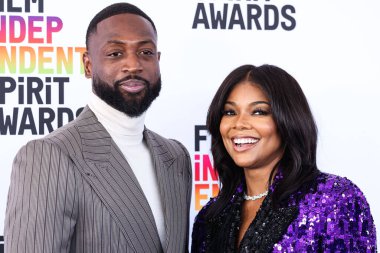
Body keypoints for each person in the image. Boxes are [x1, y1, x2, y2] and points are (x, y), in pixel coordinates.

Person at [4, 2, 192, 253]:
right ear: (88, 65)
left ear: (158, 60)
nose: (133, 65)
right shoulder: (48, 156)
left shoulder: (176, 157)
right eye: (115, 53)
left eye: (145, 52)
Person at [191, 64, 377, 252]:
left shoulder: (334, 199)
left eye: (259, 112)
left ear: (288, 120)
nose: (239, 124)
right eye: (230, 112)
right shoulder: (210, 217)